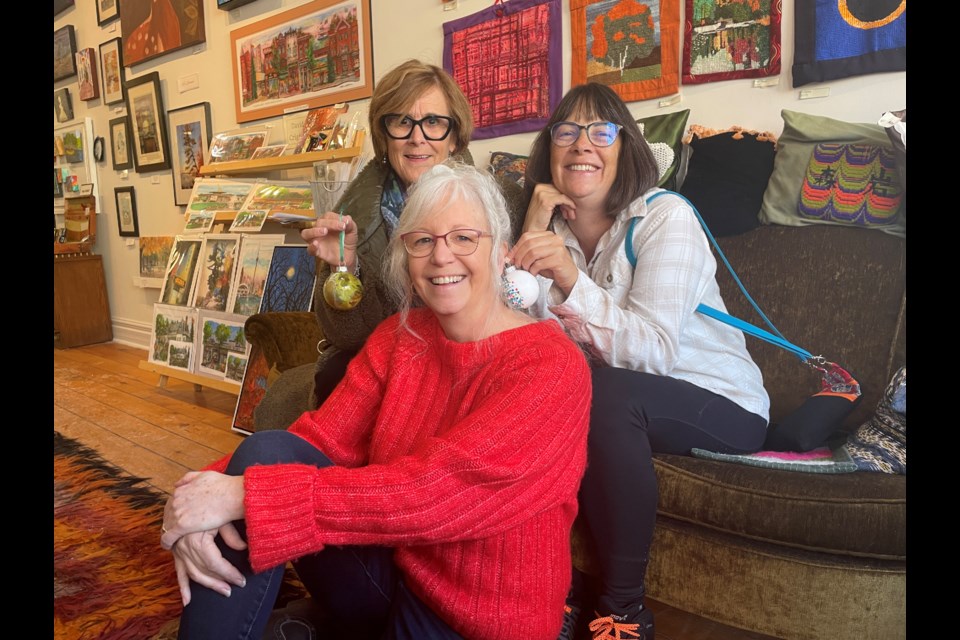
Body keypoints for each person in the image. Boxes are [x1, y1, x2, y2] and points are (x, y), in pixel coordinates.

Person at [160, 162, 593, 640]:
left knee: (254, 493)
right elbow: (316, 439)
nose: (441, 256)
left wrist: (240, 497)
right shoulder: (400, 338)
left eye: (464, 237)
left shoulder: (551, 366)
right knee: (266, 454)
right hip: (395, 579)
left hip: (478, 623)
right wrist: (198, 495)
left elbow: (435, 495)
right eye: (422, 241)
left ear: (502, 253)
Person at [509, 83, 770, 640]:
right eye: (567, 131)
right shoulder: (549, 233)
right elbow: (518, 348)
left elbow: (651, 356)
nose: (583, 145)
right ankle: (545, 584)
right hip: (622, 406)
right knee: (533, 396)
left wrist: (569, 280)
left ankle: (624, 612)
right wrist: (531, 231)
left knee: (606, 395)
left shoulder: (666, 218)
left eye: (602, 132)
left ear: (626, 149)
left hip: (719, 402)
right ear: (548, 150)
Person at [298, 59, 525, 417]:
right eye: (402, 122)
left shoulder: (504, 201)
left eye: (433, 122)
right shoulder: (347, 218)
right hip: (386, 358)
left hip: (470, 354)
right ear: (384, 137)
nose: (417, 137)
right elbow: (347, 339)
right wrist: (346, 266)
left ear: (453, 137)